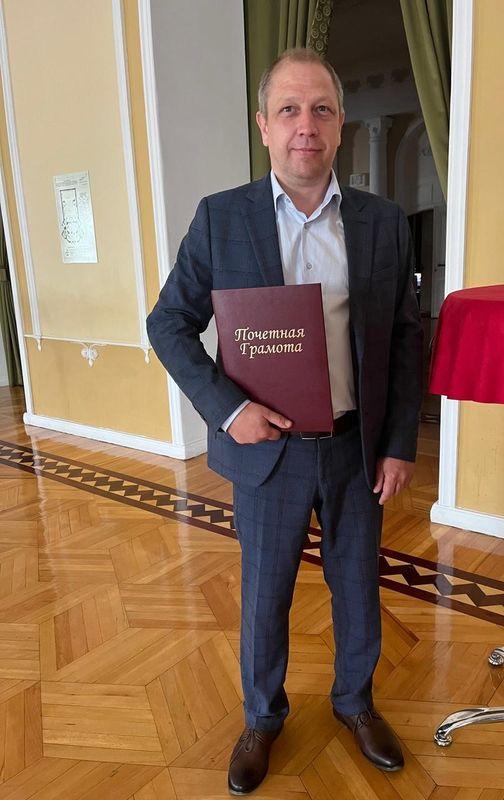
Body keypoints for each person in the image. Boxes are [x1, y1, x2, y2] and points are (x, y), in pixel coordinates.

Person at [147, 47, 423, 796]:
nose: (308, 125)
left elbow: (405, 338)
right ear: (263, 125)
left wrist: (400, 442)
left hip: (356, 449)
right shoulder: (221, 219)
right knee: (265, 593)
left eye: (322, 109)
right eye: (290, 110)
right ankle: (262, 718)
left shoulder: (382, 222)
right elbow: (168, 322)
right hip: (268, 453)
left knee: (358, 586)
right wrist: (228, 410)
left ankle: (356, 704)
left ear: (340, 123)